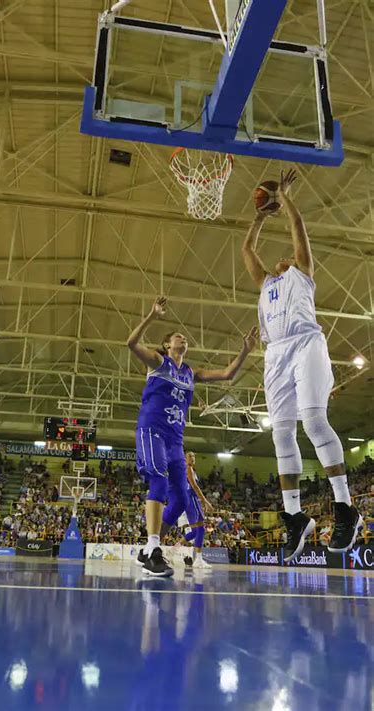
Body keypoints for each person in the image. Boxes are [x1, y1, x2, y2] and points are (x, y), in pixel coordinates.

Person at [241, 168, 363, 563]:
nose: (284, 258)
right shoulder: (266, 285)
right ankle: (295, 517)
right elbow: (247, 252)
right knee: (280, 434)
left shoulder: (303, 274)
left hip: (306, 342)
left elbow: (297, 227)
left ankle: (345, 507)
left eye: (288, 256)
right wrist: (259, 217)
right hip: (275, 353)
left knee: (312, 421)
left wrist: (286, 196)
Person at [127, 295, 257, 576]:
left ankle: (149, 548)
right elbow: (131, 343)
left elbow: (227, 374)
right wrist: (152, 316)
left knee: (183, 500)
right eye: (177, 336)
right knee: (159, 484)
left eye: (184, 337)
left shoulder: (190, 373)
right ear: (167, 344)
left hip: (176, 439)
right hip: (152, 429)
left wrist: (245, 350)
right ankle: (152, 549)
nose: (182, 339)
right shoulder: (158, 363)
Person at [178, 451, 214, 569]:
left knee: (199, 530)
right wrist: (205, 502)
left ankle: (198, 559)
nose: (192, 458)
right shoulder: (188, 469)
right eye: (189, 456)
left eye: (193, 456)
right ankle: (173, 552)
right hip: (191, 499)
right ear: (185, 459)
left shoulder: (192, 470)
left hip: (193, 500)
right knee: (197, 529)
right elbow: (194, 487)